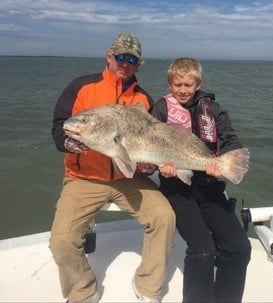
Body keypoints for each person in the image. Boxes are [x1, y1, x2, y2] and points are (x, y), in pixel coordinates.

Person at [50, 33, 176, 303]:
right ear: (109, 55)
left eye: (132, 59)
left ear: (138, 64)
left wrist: (148, 166)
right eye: (120, 56)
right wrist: (69, 143)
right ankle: (83, 290)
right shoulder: (82, 87)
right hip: (84, 177)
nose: (125, 63)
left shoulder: (143, 98)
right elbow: (60, 125)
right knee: (62, 240)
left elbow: (151, 142)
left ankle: (148, 286)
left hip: (127, 177)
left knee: (164, 217)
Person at [150, 58, 251, 303]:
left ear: (198, 84)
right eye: (177, 84)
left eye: (188, 84)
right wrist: (160, 166)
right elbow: (149, 145)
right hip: (177, 189)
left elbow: (231, 141)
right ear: (169, 83)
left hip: (209, 188)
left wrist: (223, 165)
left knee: (239, 248)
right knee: (203, 250)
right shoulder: (160, 110)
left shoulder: (213, 110)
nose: (182, 90)